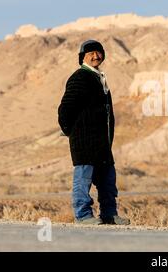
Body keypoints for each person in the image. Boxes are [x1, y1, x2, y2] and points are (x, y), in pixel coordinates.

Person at [58, 39, 130, 225]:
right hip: (85, 141)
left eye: (98, 52)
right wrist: (70, 131)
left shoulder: (99, 78)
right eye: (91, 53)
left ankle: (109, 214)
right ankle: (82, 216)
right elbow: (65, 108)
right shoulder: (80, 77)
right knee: (84, 180)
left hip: (102, 143)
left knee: (107, 181)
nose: (96, 56)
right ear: (83, 57)